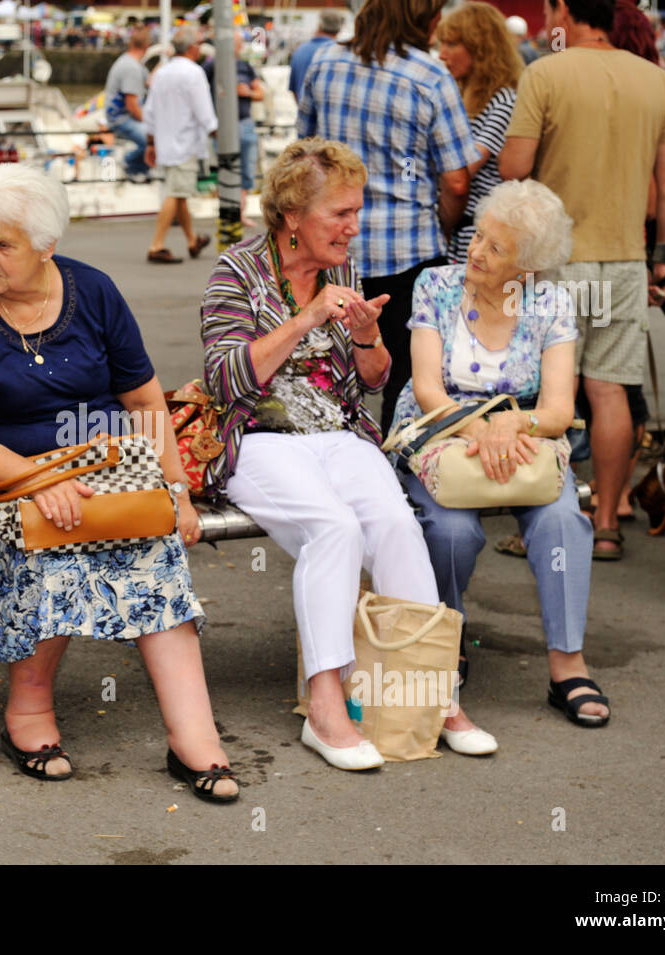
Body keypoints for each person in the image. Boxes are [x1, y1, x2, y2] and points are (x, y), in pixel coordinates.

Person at [0, 164, 240, 802]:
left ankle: (193, 736)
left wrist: (176, 489)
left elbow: (146, 400)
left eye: (4, 245)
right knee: (62, 536)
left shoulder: (93, 291)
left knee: (153, 547)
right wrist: (34, 479)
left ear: (47, 247)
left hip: (101, 466)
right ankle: (29, 713)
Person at [202, 139, 497, 764]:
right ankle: (326, 704)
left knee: (393, 522)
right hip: (260, 437)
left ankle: (433, 688)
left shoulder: (344, 270)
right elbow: (225, 380)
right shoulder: (236, 270)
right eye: (340, 213)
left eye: (355, 212)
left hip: (339, 433)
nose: (352, 227)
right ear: (291, 217)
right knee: (332, 527)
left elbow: (371, 382)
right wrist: (306, 319)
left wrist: (367, 338)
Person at [388, 179, 610, 728]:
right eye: (478, 236)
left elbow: (559, 409)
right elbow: (427, 389)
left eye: (496, 248)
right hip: (439, 430)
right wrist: (483, 429)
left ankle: (567, 664)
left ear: (527, 268)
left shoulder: (550, 303)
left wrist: (514, 423)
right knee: (449, 530)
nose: (477, 252)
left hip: (521, 433)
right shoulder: (436, 285)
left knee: (562, 520)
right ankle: (446, 637)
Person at [500, 0, 665, 561]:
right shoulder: (656, 81)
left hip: (555, 263)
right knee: (609, 392)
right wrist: (662, 261)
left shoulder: (545, 72)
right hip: (624, 260)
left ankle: (546, 520)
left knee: (548, 391)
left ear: (566, 11)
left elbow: (514, 167)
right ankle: (605, 522)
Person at [298, 0, 480, 433]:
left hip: (332, 250)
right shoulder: (429, 75)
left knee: (330, 367)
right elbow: (456, 181)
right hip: (409, 250)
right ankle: (396, 471)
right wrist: (444, 226)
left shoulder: (324, 62)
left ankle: (336, 458)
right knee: (406, 372)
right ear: (421, 19)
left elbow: (302, 156)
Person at [434, 2, 523, 264]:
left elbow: (463, 167)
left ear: (480, 49)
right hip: (460, 235)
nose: (441, 54)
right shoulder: (462, 96)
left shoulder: (503, 101)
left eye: (451, 44)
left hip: (479, 240)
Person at [143, 25, 216, 264]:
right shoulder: (194, 73)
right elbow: (204, 112)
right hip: (186, 142)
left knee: (180, 192)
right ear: (193, 48)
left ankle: (191, 240)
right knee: (176, 192)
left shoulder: (162, 72)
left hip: (165, 142)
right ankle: (157, 245)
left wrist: (151, 143)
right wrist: (218, 135)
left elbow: (150, 111)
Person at [204, 31, 264, 225]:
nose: (236, 48)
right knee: (226, 168)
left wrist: (247, 92)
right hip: (222, 124)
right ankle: (228, 212)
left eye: (237, 44)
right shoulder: (212, 65)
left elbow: (260, 93)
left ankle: (239, 213)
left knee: (246, 170)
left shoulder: (245, 66)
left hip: (244, 122)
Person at [103, 25, 151, 183]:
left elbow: (150, 82)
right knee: (153, 139)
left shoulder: (130, 63)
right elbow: (132, 107)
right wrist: (149, 122)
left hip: (117, 116)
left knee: (155, 134)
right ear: (147, 47)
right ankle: (131, 164)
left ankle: (139, 167)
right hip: (120, 119)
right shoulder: (131, 68)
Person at [288, 8, 345, 103]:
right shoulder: (341, 52)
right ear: (339, 29)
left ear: (319, 25)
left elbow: (294, 90)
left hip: (303, 112)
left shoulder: (300, 50)